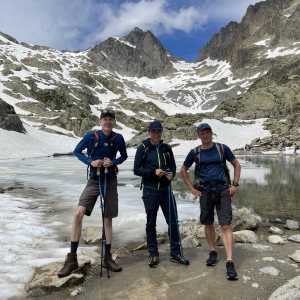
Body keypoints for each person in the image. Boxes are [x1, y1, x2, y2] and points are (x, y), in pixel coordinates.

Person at [58, 109, 128, 277]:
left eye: (110, 119)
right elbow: (77, 151)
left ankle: (108, 257)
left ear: (114, 122)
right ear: (100, 120)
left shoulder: (118, 138)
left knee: (107, 218)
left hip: (109, 180)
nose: (108, 122)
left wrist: (113, 162)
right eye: (105, 119)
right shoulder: (91, 136)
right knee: (78, 213)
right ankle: (72, 258)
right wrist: (91, 161)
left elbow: (124, 156)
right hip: (94, 180)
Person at [180, 123, 241, 280]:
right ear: (199, 135)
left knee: (226, 224)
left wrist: (235, 185)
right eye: (202, 133)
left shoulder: (222, 148)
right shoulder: (195, 152)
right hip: (205, 192)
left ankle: (229, 260)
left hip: (222, 190)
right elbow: (183, 171)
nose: (205, 135)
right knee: (207, 223)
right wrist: (192, 189)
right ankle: (213, 251)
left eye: (208, 132)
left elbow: (236, 164)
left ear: (212, 133)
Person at [134, 120, 189, 268]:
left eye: (158, 131)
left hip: (166, 190)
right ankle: (153, 254)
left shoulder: (166, 148)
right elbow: (137, 169)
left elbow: (172, 166)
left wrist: (171, 174)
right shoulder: (143, 148)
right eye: (153, 131)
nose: (156, 134)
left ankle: (176, 253)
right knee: (151, 223)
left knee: (173, 221)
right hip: (150, 191)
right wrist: (153, 172)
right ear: (149, 132)